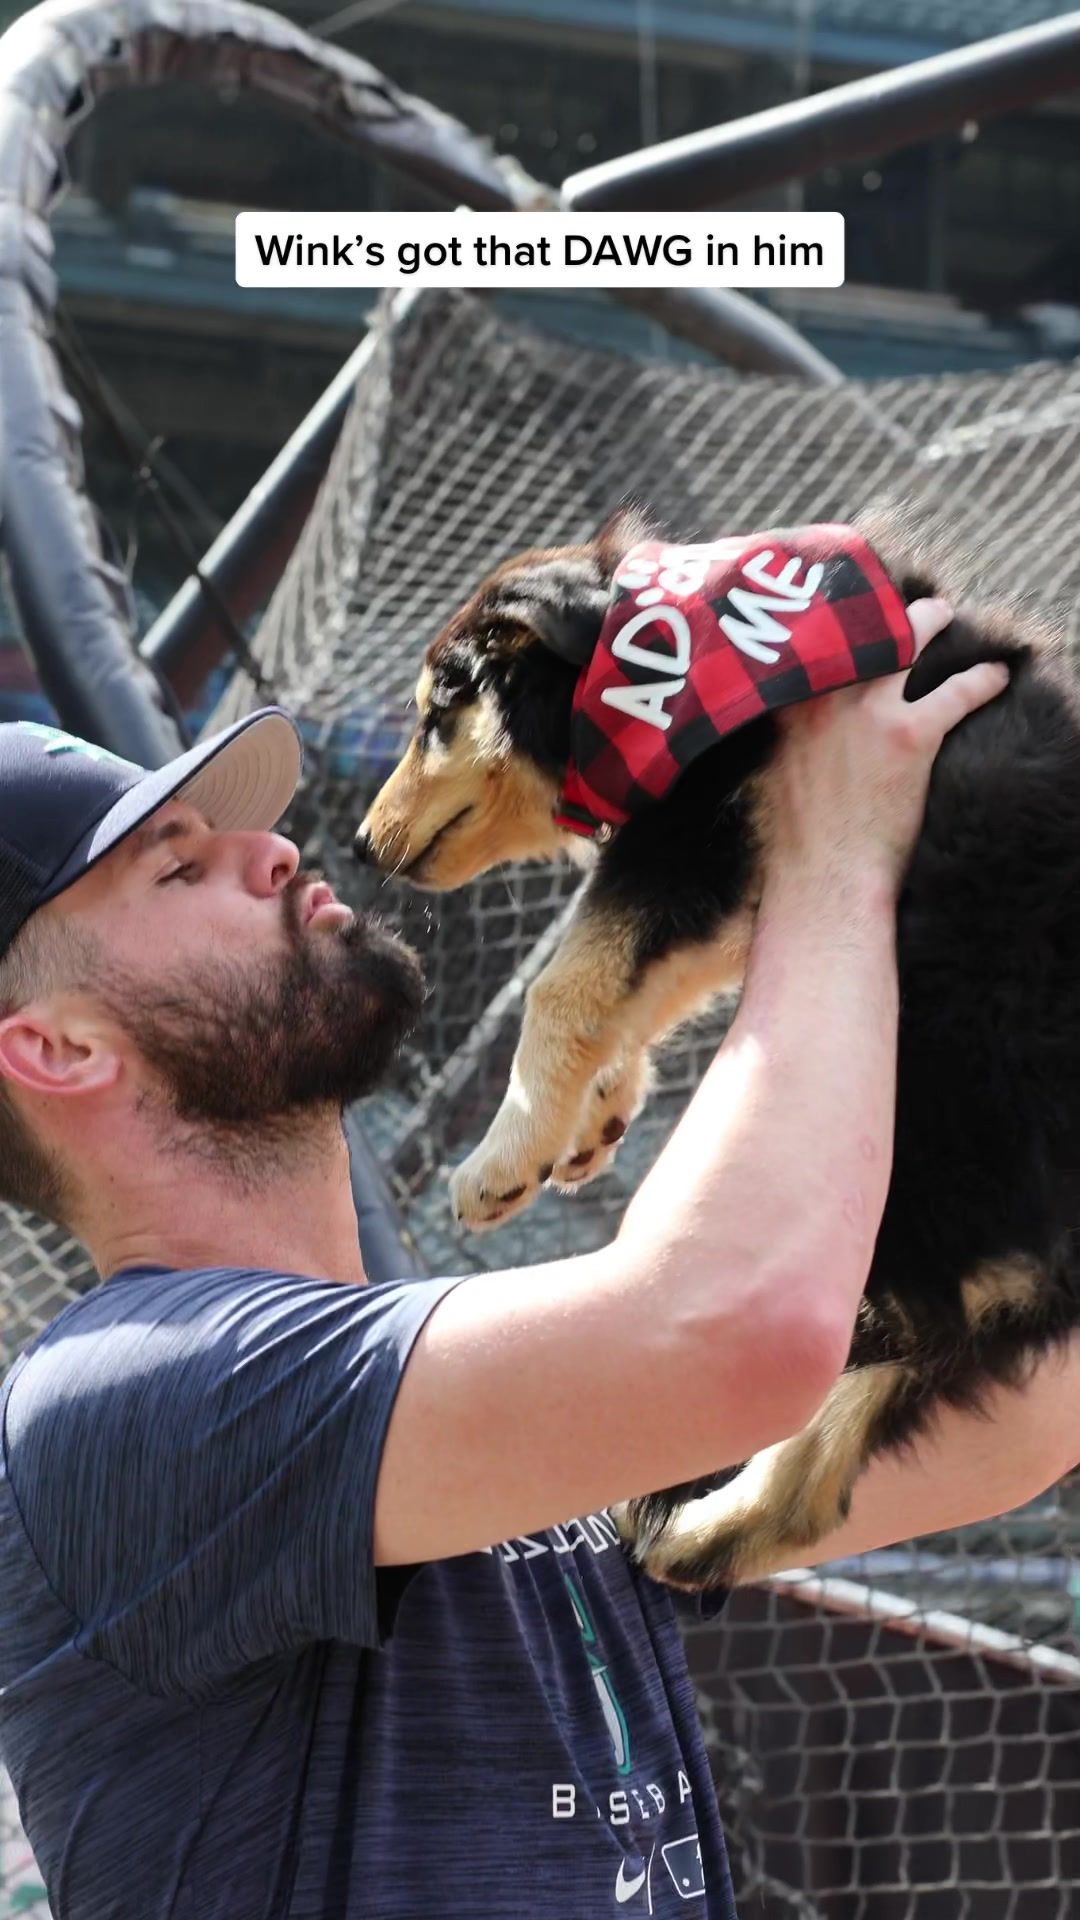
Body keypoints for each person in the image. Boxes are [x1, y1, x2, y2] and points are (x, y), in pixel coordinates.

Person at [0, 605, 1074, 1920]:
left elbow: (1014, 1418)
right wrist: (827, 853)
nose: (272, 854)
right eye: (179, 872)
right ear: (56, 1050)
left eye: (239, 837)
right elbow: (738, 1329)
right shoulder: (126, 1403)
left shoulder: (474, 1396)